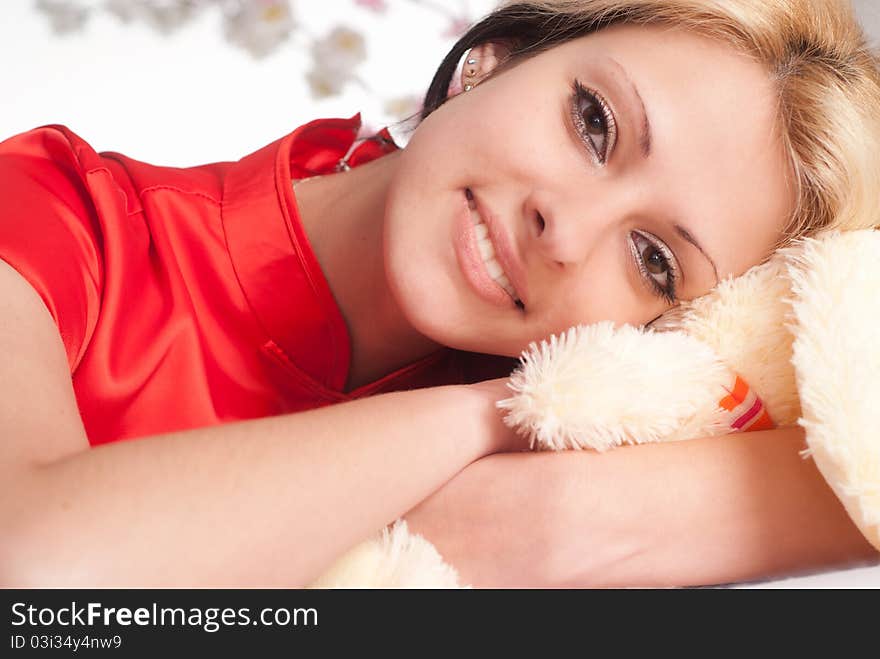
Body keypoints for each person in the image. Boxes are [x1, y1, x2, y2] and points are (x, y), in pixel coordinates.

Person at [1, 0, 878, 587]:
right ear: (491, 59)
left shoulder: (566, 458)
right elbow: (37, 572)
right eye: (594, 122)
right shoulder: (50, 209)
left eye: (653, 260)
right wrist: (480, 416)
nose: (564, 230)